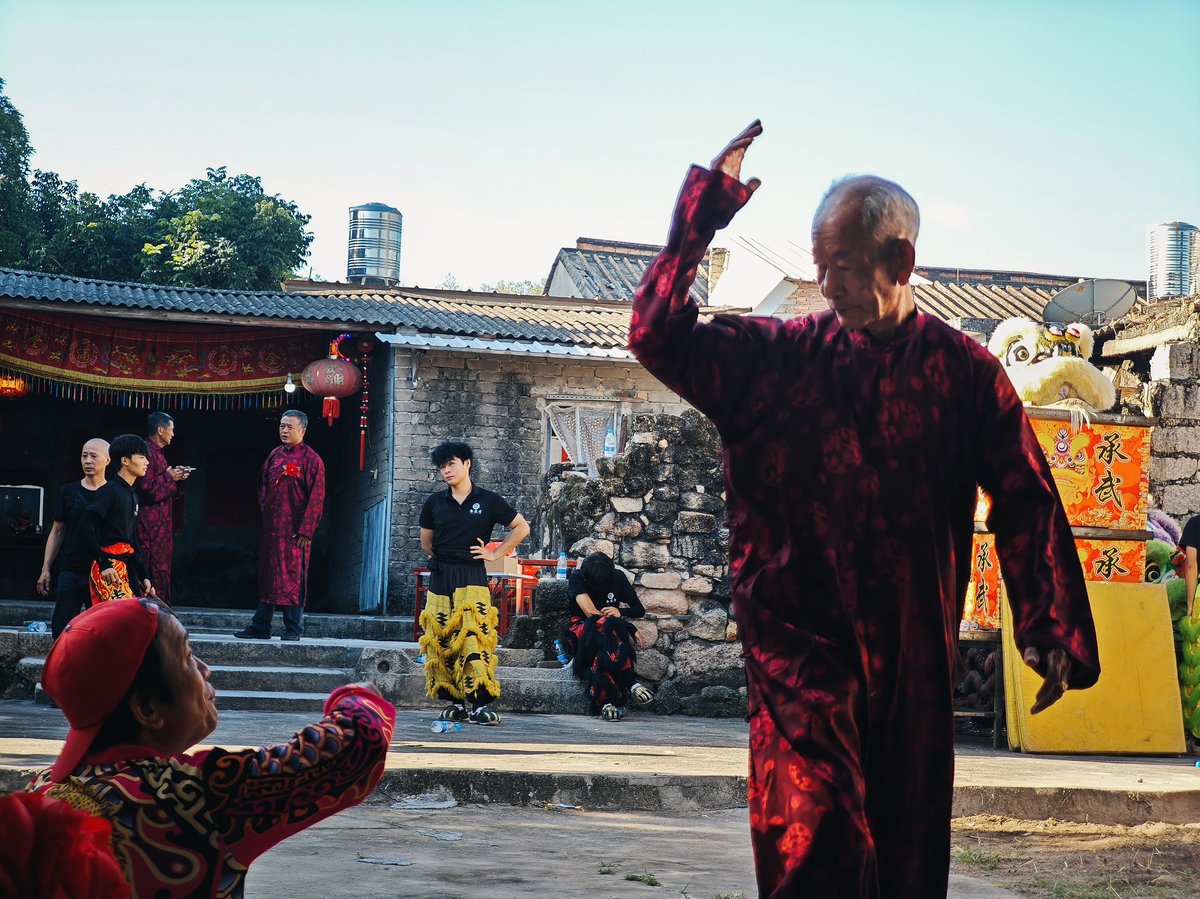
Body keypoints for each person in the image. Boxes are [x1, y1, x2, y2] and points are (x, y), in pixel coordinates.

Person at [627, 120, 1101, 897]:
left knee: (908, 864)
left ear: (900, 260)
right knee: (817, 854)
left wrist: (1047, 625)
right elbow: (655, 332)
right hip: (796, 654)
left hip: (914, 658)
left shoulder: (966, 376)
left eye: (841, 267)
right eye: (819, 267)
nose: (828, 285)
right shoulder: (777, 360)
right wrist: (702, 214)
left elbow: (1024, 493)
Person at [26, 598, 395, 898]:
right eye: (186, 657)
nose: (205, 669)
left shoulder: (42, 792)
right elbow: (358, 745)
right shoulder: (196, 796)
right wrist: (359, 696)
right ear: (147, 710)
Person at [418, 440, 530, 725]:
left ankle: (481, 704)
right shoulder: (434, 503)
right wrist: (446, 558)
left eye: (451, 464)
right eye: (442, 467)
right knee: (441, 639)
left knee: (474, 637)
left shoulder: (488, 500)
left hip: (473, 575)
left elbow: (521, 527)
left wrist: (495, 553)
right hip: (441, 574)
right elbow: (426, 543)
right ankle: (455, 703)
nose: (446, 471)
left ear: (467, 463)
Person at [235, 410, 325, 642]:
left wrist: (307, 530)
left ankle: (293, 628)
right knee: (269, 577)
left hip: (296, 533)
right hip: (273, 530)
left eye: (289, 427)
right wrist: (268, 514)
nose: (284, 431)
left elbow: (317, 497)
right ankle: (261, 626)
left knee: (293, 578)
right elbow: (262, 484)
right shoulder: (274, 455)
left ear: (302, 431)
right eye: (282, 426)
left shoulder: (311, 460)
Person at [561, 550, 654, 720]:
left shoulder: (617, 577)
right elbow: (591, 613)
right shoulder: (578, 577)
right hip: (581, 629)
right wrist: (628, 626)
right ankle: (630, 682)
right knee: (604, 628)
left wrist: (620, 611)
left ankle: (606, 701)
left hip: (609, 633)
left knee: (607, 637)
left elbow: (638, 609)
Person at [37, 438, 109, 637]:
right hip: (70, 570)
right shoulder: (69, 491)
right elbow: (57, 530)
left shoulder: (113, 493)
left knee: (101, 631)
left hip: (100, 572)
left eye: (94, 456)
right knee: (61, 630)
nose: (88, 460)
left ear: (108, 460)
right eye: (84, 455)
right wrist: (46, 568)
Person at [82, 434, 154, 605]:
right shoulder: (110, 491)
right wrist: (104, 563)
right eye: (142, 457)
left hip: (125, 567)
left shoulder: (132, 494)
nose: (147, 463)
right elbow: (85, 525)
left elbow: (132, 538)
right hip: (108, 569)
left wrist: (144, 575)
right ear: (125, 461)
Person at [135, 412, 190, 605]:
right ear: (160, 430)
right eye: (171, 429)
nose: (173, 434)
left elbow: (163, 489)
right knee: (150, 573)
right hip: (148, 527)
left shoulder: (158, 454)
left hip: (160, 527)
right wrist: (169, 477)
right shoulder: (146, 452)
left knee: (160, 572)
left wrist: (175, 477)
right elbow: (146, 490)